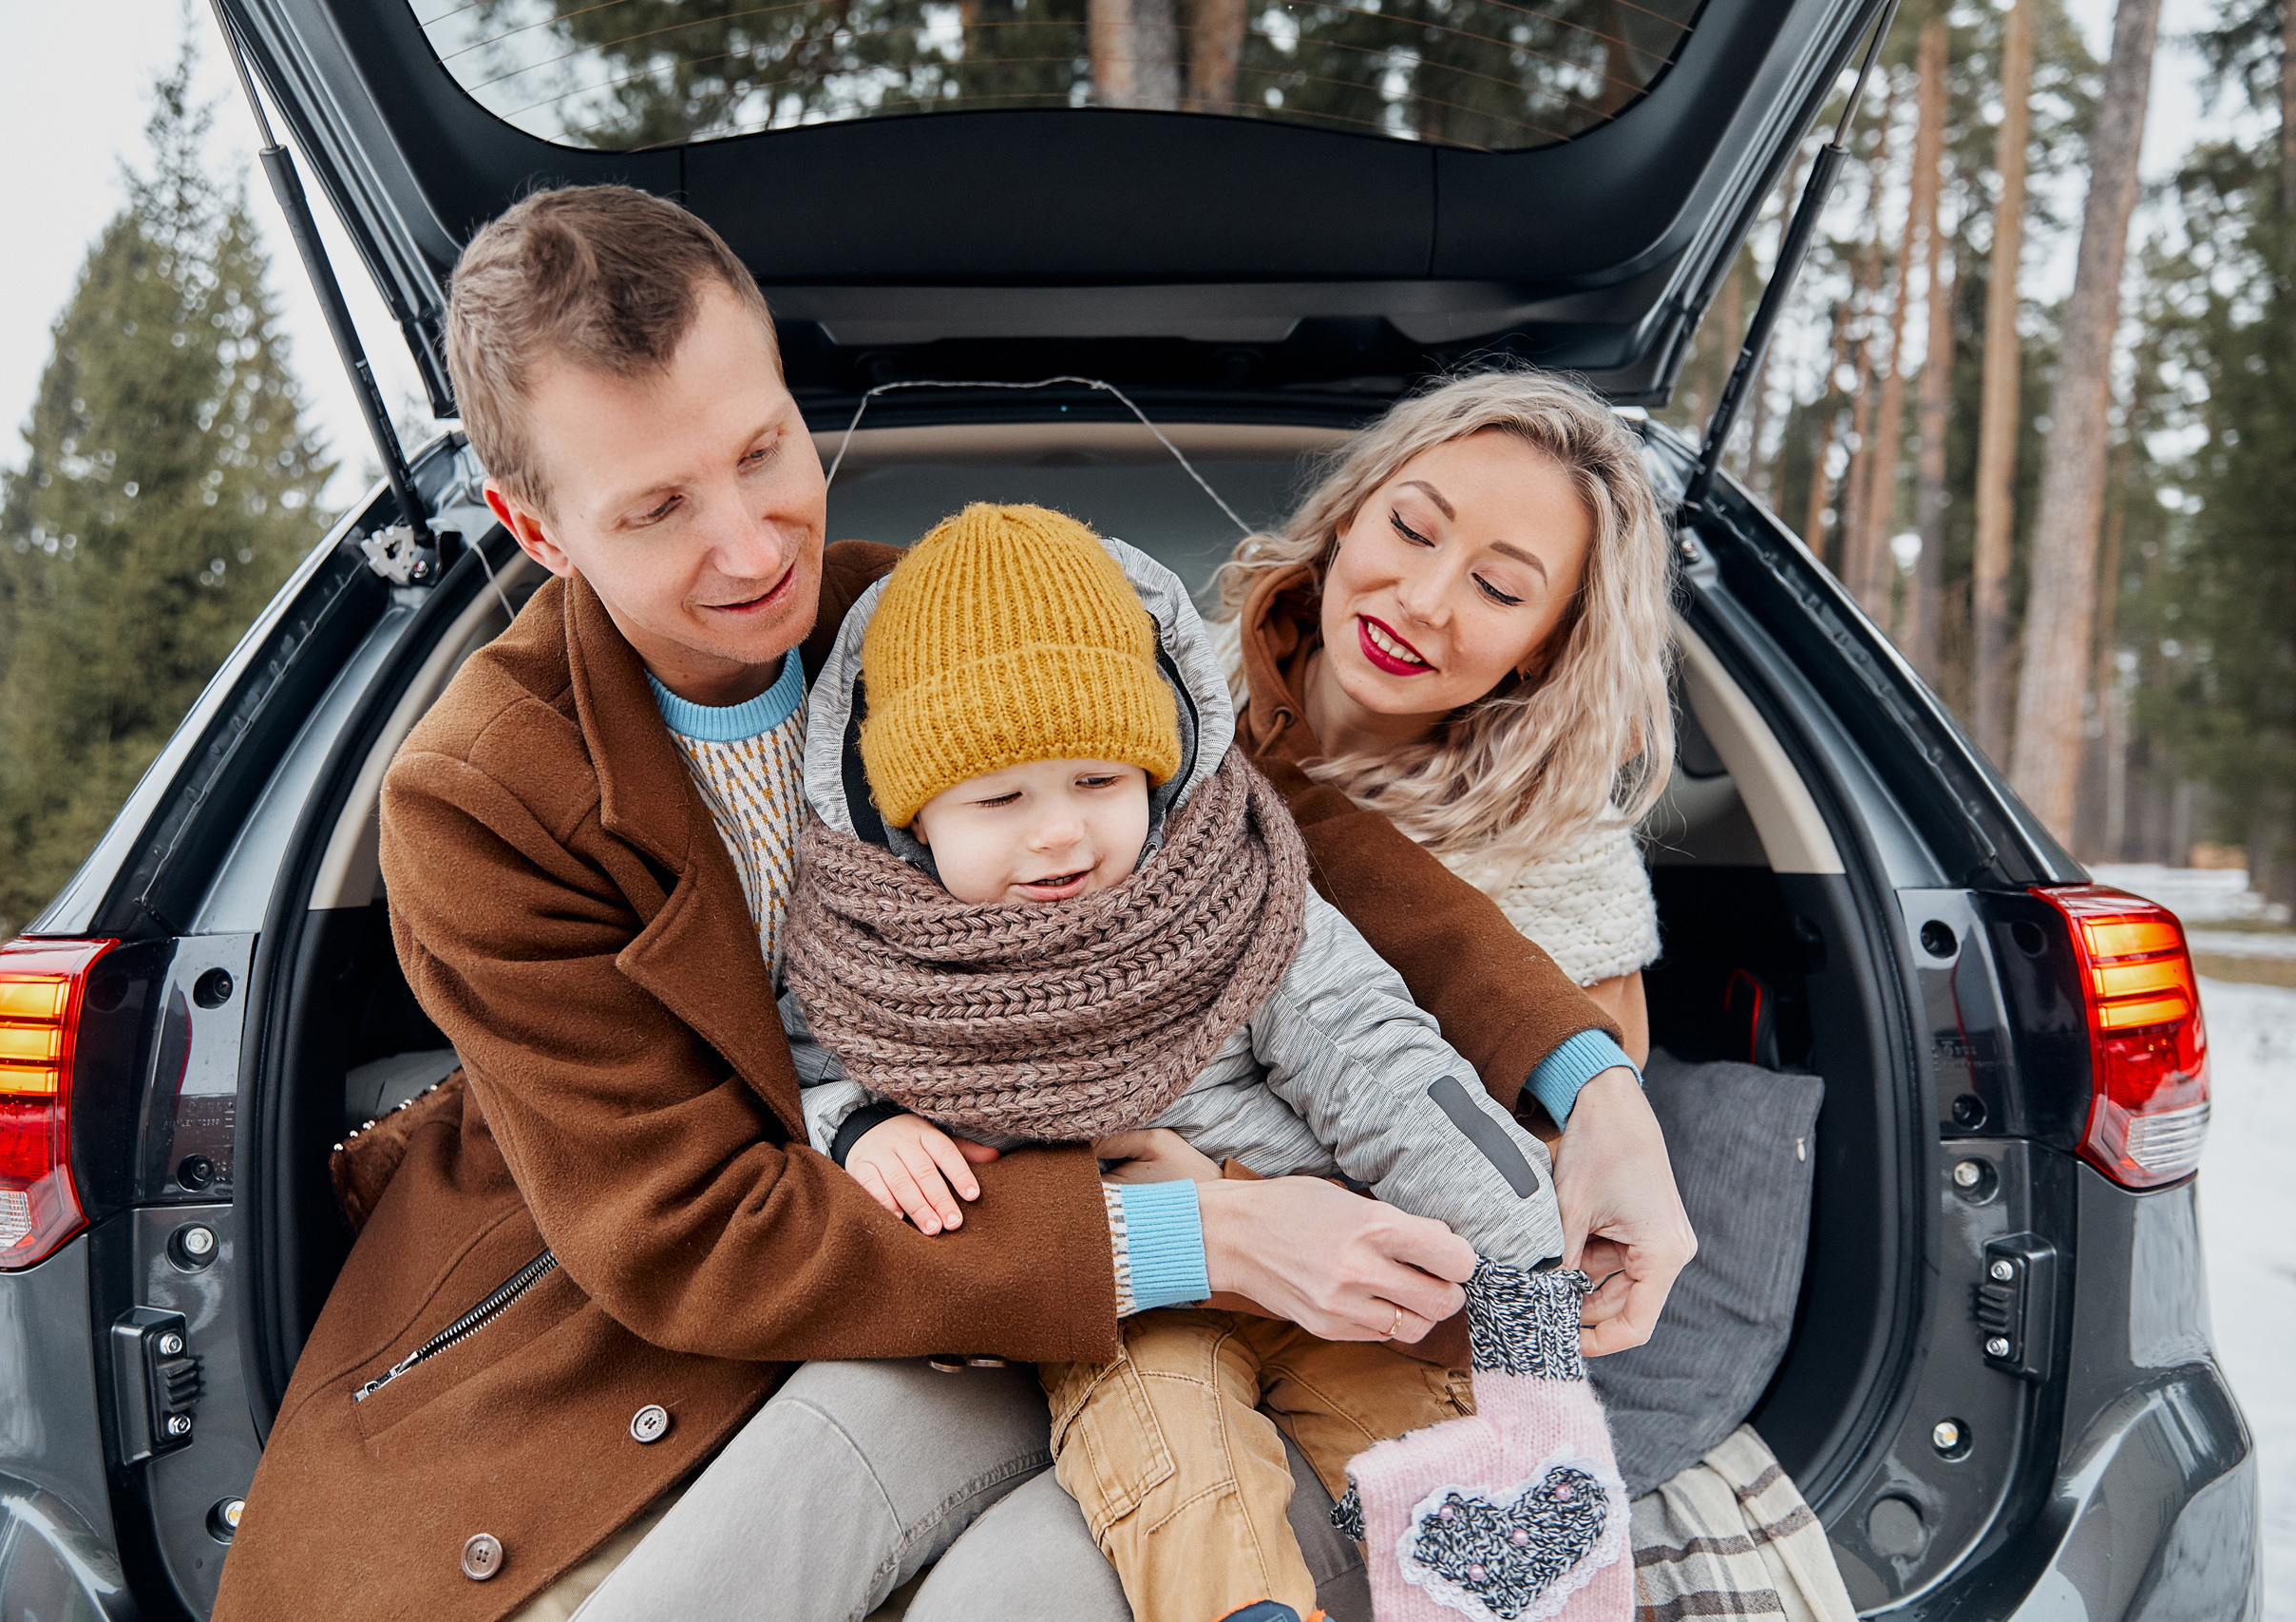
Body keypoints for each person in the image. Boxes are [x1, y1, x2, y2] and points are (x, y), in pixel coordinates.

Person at [211, 185, 1682, 1622]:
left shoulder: (922, 614)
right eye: (657, 507)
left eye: (766, 449)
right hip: (671, 1335)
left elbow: (1282, 842)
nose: (752, 546)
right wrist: (1207, 1231)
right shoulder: (483, 790)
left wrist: (1590, 1080)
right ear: (535, 531)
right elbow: (691, 1233)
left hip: (1017, 1302)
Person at [773, 500, 1608, 1622]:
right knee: (1172, 1470)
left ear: (1159, 771)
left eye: (1099, 782)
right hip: (1124, 1308)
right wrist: (865, 1125)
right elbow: (797, 1062)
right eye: (1000, 799)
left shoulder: (1238, 894)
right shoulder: (870, 957)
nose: (1059, 832)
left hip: (1333, 1257)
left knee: (1457, 1455)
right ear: (909, 818)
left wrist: (1524, 1277)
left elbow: (1387, 1068)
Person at [1209, 370, 1850, 1618]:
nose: (1425, 598)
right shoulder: (1158, 700)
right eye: (1411, 527)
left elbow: (1518, 1211)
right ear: (1349, 514)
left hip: (1373, 1330)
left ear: (1546, 643)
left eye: (1500, 588)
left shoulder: (1567, 875)